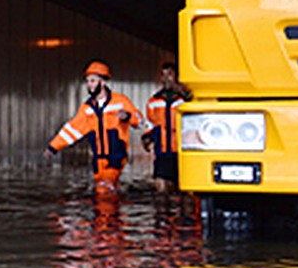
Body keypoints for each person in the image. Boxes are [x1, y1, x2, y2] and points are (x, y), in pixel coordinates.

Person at [43, 60, 144, 194]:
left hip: (116, 156)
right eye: (87, 81)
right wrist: (53, 147)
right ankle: (115, 212)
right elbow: (72, 129)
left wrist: (128, 117)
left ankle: (108, 211)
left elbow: (140, 121)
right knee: (106, 191)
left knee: (104, 189)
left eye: (92, 81)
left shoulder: (120, 101)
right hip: (98, 160)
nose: (88, 85)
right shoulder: (87, 109)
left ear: (103, 82)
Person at [142, 60, 190, 194]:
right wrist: (147, 137)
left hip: (181, 152)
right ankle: (162, 214)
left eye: (170, 74)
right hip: (162, 151)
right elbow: (150, 123)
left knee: (180, 191)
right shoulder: (154, 101)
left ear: (176, 77)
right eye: (163, 75)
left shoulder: (185, 99)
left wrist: (183, 92)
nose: (166, 78)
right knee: (161, 187)